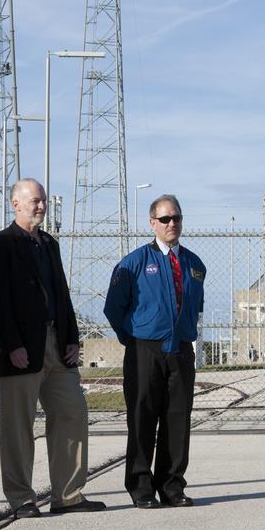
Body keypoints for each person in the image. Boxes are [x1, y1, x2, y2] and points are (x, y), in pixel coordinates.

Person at [0, 178, 105, 518]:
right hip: (22, 351)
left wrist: (72, 337)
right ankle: (21, 498)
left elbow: (61, 293)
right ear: (15, 204)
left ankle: (68, 496)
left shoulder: (48, 243)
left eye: (43, 201)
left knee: (72, 413)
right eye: (34, 201)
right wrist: (12, 346)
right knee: (19, 426)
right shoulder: (0, 245)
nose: (40, 206)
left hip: (56, 347)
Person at [104, 194, 206, 509]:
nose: (172, 224)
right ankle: (141, 487)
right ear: (152, 223)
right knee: (142, 418)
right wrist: (134, 340)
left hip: (180, 352)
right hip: (144, 351)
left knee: (177, 420)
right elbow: (113, 308)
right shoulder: (133, 263)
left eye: (176, 218)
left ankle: (172, 485)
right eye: (165, 219)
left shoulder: (194, 264)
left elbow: (196, 305)